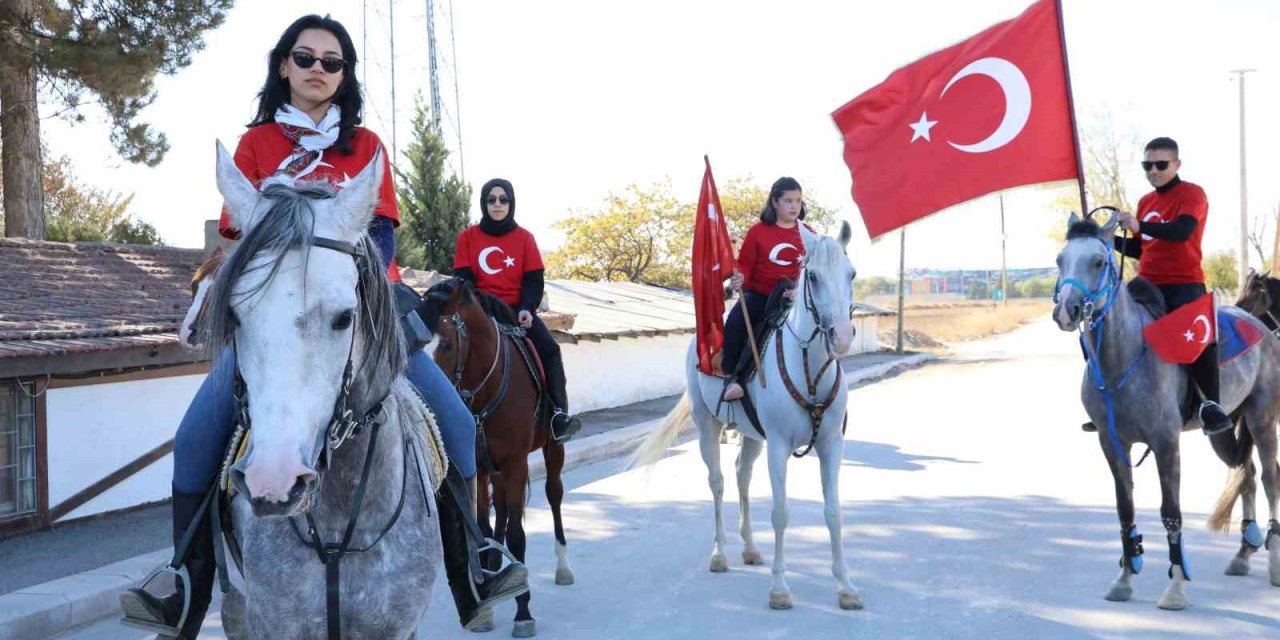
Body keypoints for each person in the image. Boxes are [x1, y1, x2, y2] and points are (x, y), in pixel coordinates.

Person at [118, 15, 524, 638]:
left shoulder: (366, 149)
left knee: (457, 422)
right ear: (283, 65)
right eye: (304, 57)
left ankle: (474, 562)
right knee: (197, 434)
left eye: (332, 62)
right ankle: (186, 584)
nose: (317, 69)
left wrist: (353, 286)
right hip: (274, 314)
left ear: (344, 75)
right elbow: (243, 237)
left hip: (360, 306)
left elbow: (382, 236)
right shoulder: (255, 146)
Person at [1086, 136, 1230, 437]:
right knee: (1100, 327)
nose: (1153, 170)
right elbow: (1141, 249)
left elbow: (1181, 231)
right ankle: (1106, 399)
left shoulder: (1192, 194)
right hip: (1145, 285)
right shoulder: (1146, 202)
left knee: (1200, 339)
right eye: (1147, 165)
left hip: (1183, 283)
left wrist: (1140, 226)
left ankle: (1210, 405)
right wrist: (1102, 239)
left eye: (1160, 164)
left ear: (1176, 164)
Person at [451, 178, 582, 442]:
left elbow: (534, 280)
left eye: (503, 199)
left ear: (511, 203)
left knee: (550, 349)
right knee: (448, 350)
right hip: (481, 312)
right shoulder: (467, 237)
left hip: (517, 313)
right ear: (483, 203)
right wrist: (478, 308)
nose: (497, 204)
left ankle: (558, 415)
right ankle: (448, 416)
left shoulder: (525, 238)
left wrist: (527, 309)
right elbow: (463, 279)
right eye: (491, 199)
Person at [721, 177, 810, 401]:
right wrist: (739, 277)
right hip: (762, 296)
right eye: (788, 200)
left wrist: (798, 290)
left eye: (798, 201)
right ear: (774, 202)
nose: (794, 206)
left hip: (796, 301)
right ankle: (733, 378)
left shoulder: (809, 234)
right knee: (735, 322)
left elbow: (813, 269)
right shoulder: (758, 232)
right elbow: (745, 265)